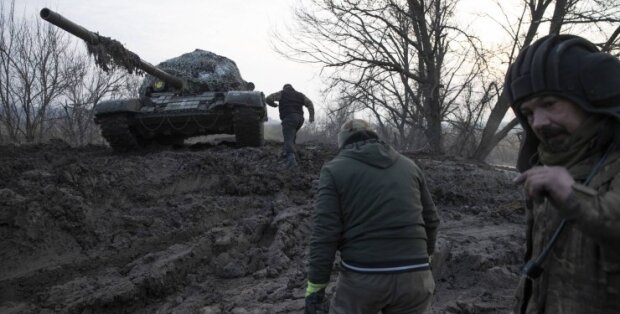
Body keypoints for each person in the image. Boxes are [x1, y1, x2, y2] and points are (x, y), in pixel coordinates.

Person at [505, 34, 620, 313]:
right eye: (528, 112)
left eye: (550, 104)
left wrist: (570, 194)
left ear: (591, 99)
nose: (539, 123)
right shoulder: (549, 169)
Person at [305, 119, 440, 314]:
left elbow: (325, 233)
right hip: (416, 278)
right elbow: (432, 220)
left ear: (342, 143)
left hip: (363, 278)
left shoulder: (334, 170)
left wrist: (316, 288)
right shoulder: (410, 166)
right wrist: (422, 260)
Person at [265, 84, 315, 169]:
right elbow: (309, 103)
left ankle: (291, 161)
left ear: (284, 88)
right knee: (292, 136)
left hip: (289, 117)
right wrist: (311, 116)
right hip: (300, 119)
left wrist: (273, 105)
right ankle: (292, 155)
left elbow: (268, 98)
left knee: (288, 138)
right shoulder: (300, 95)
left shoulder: (282, 93)